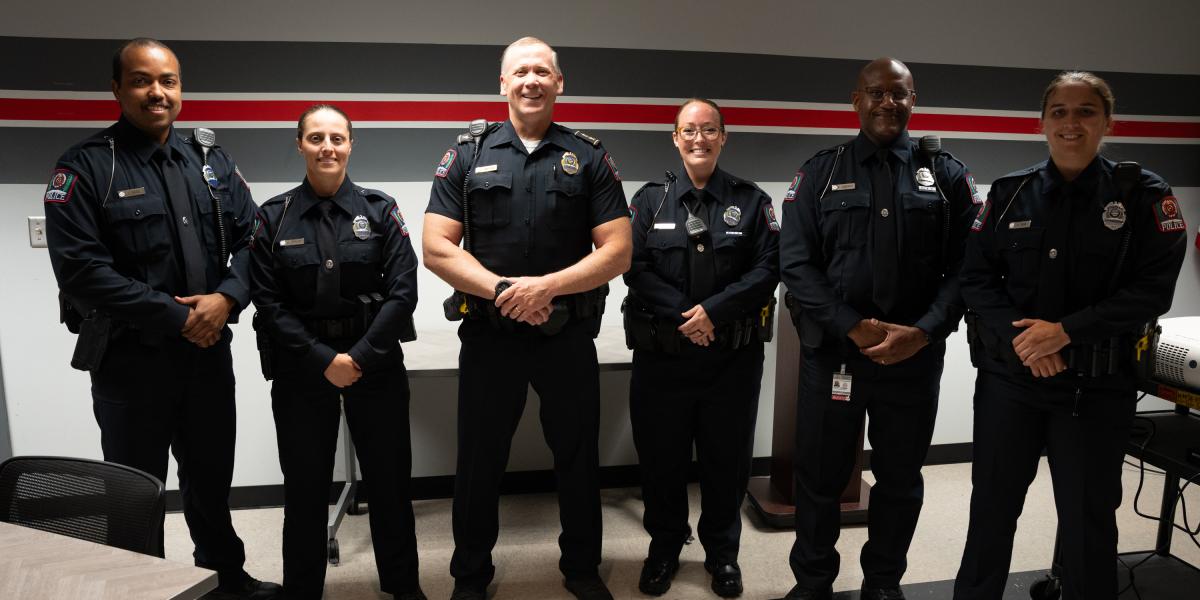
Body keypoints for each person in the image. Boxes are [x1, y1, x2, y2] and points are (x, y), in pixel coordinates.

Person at [43, 38, 279, 599]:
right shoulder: (86, 166)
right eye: (143, 81)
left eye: (168, 80)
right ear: (118, 89)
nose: (158, 92)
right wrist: (176, 318)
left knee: (210, 478)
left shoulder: (212, 162)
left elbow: (254, 241)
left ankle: (225, 578)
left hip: (206, 355)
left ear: (180, 87)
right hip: (131, 362)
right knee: (133, 489)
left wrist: (225, 300)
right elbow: (81, 271)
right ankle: (142, 590)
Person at [953, 72, 1187, 600]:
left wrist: (1064, 333)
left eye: (1085, 110)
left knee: (1087, 521)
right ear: (1042, 122)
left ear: (1107, 121)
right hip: (1011, 384)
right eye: (1059, 111)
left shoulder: (1144, 196)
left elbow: (1152, 291)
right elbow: (976, 278)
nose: (1071, 122)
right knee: (991, 509)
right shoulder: (1011, 195)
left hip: (1095, 389)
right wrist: (1027, 344)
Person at [422, 36, 632, 600]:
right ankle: (470, 576)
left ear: (559, 83)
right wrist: (506, 292)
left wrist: (548, 288)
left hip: (567, 337)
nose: (531, 80)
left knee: (578, 458)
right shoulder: (466, 153)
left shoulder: (588, 156)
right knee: (478, 462)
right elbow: (437, 247)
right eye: (520, 72)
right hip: (492, 338)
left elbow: (618, 250)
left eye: (542, 71)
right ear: (503, 84)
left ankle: (582, 571)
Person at [776, 57, 978, 600]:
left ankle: (883, 583)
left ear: (914, 99)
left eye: (899, 94)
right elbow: (795, 265)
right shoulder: (819, 172)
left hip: (913, 358)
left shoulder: (948, 175)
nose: (888, 103)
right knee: (819, 479)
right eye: (876, 93)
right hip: (835, 357)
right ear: (856, 99)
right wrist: (853, 327)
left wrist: (925, 331)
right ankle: (813, 583)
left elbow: (968, 268)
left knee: (900, 479)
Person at [247, 104, 422, 600]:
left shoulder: (380, 209)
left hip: (376, 363)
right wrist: (325, 360)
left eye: (337, 138)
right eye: (316, 138)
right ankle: (303, 591)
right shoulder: (274, 216)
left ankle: (404, 587)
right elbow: (268, 302)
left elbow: (403, 293)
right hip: (303, 369)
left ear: (351, 144)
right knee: (304, 490)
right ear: (299, 144)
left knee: (390, 485)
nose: (328, 147)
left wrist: (359, 358)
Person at [622, 98, 779, 598]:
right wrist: (686, 317)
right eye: (688, 130)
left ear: (723, 137)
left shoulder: (753, 201)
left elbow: (767, 269)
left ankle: (722, 553)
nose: (698, 138)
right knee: (661, 461)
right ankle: (664, 548)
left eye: (709, 129)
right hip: (662, 360)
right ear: (674, 137)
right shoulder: (649, 201)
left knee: (726, 461)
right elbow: (634, 268)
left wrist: (714, 313)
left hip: (731, 360)